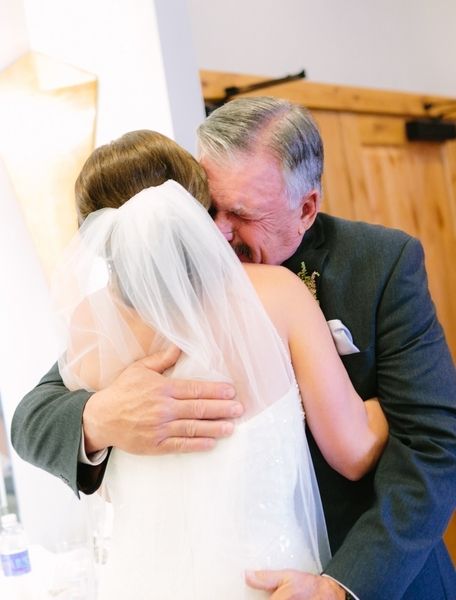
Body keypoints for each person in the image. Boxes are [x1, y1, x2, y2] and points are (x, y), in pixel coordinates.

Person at [11, 99, 456, 599]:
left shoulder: (380, 262)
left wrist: (342, 586)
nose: (217, 233)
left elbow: (434, 446)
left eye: (241, 214)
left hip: (367, 575)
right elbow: (31, 417)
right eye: (207, 207)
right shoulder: (124, 312)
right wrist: (98, 418)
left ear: (306, 208)